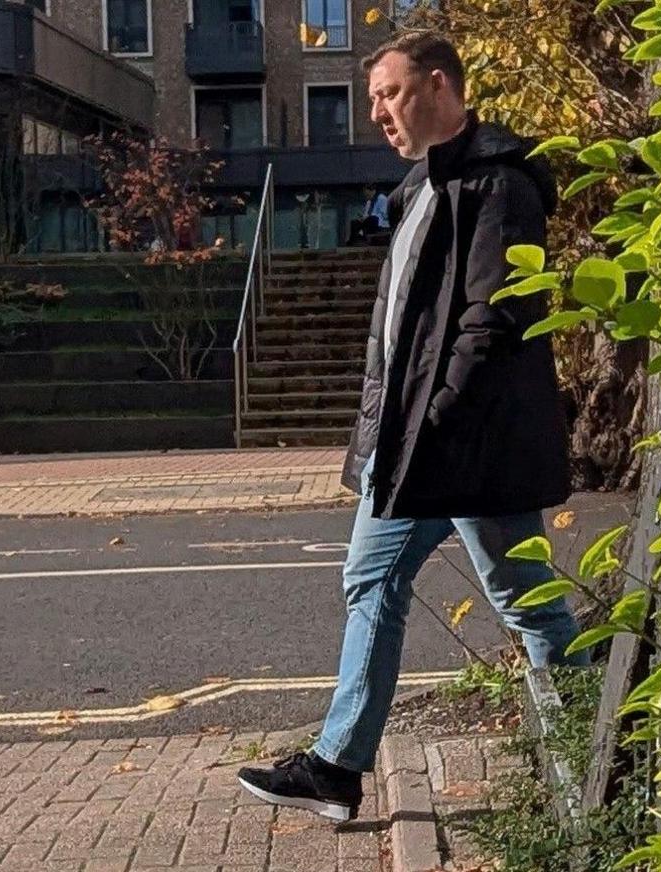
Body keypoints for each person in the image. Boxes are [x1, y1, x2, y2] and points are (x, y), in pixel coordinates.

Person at [236, 30, 585, 822]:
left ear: (437, 85)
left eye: (388, 94)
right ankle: (337, 764)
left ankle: (599, 761)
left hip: (470, 442)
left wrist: (437, 421)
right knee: (373, 578)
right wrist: (379, 438)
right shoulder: (421, 188)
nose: (378, 115)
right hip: (413, 446)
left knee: (526, 601)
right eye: (372, 101)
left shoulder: (498, 186)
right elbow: (395, 336)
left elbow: (491, 323)